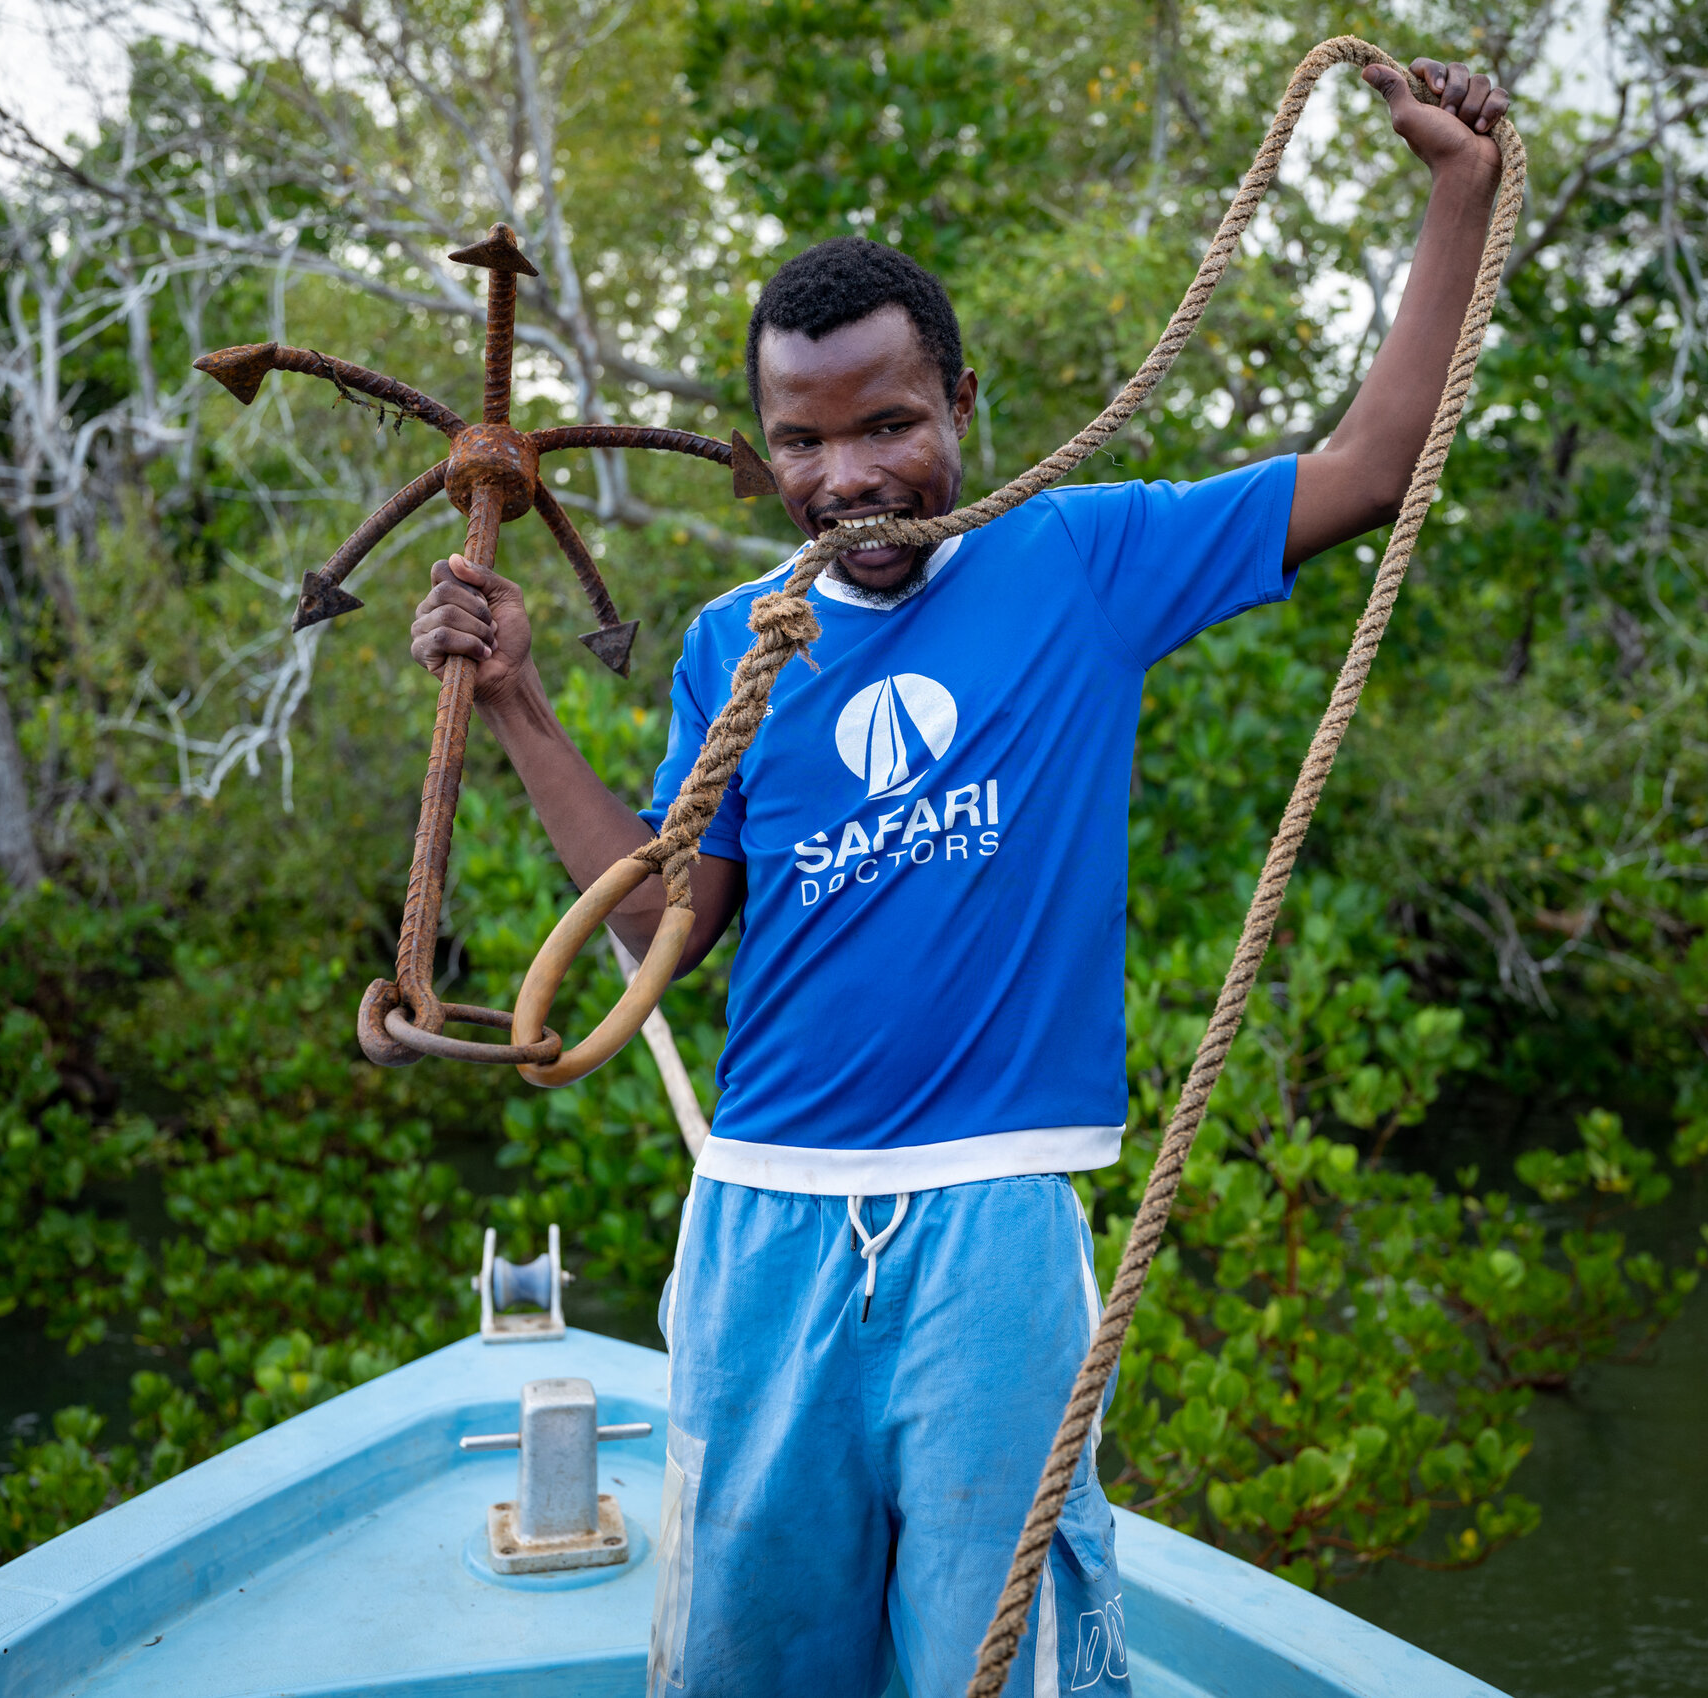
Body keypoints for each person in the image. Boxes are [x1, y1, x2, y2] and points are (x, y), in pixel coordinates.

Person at [409, 56, 1511, 1698]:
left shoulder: (1080, 561)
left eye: (888, 423)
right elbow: (662, 928)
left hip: (993, 1221)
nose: (849, 472)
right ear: (768, 445)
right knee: (745, 1651)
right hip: (765, 1217)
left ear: (963, 406)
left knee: (994, 1658)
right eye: (802, 439)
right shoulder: (738, 643)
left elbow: (1367, 462)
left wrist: (1460, 195)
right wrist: (515, 700)